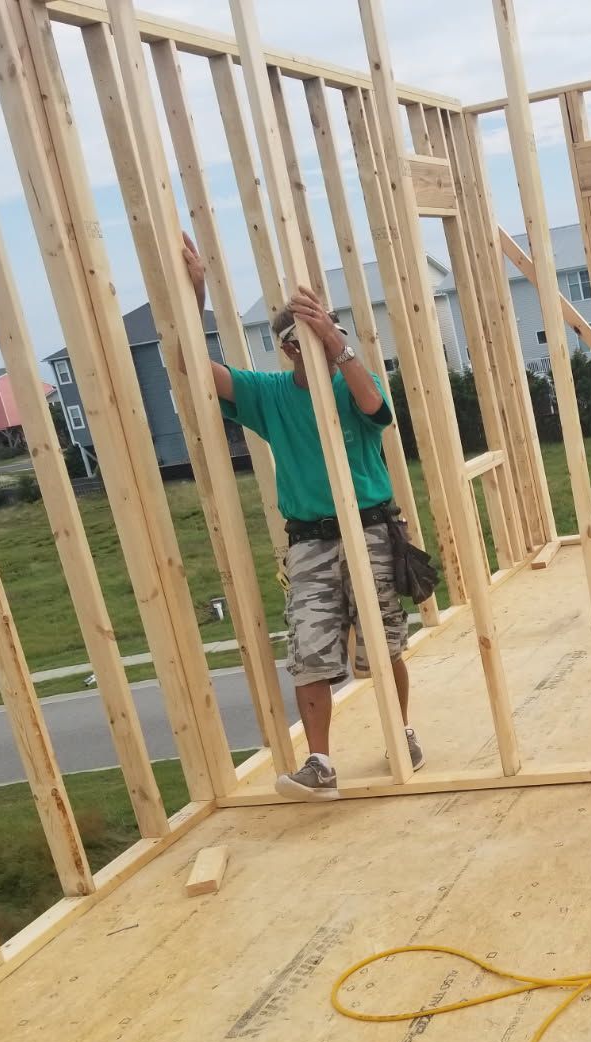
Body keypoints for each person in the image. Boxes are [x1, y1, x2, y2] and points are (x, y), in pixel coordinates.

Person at [182, 234, 423, 800]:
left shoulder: (351, 382)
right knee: (309, 650)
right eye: (303, 336)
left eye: (324, 329)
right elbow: (197, 368)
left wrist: (340, 345)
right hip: (311, 541)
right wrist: (196, 298)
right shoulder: (268, 395)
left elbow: (377, 411)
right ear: (287, 346)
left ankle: (402, 732)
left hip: (369, 529)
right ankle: (320, 764)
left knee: (381, 644)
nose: (313, 343)